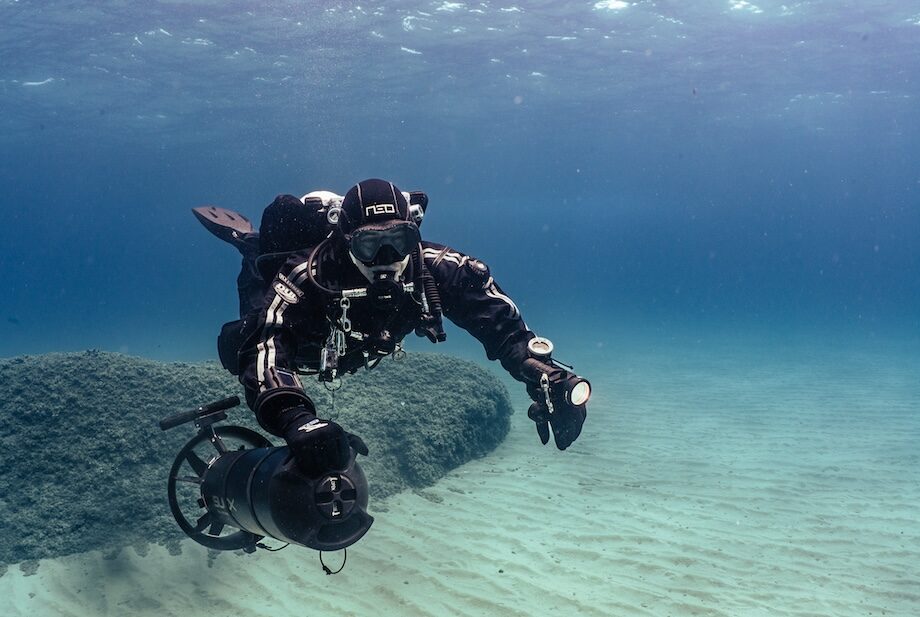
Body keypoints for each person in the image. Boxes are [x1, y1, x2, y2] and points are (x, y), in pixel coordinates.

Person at [229, 178, 590, 477]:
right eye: (370, 244)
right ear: (346, 241)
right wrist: (296, 419)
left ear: (414, 235)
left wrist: (543, 375)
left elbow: (500, 324)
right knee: (238, 336)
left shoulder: (438, 269)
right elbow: (265, 345)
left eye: (399, 241)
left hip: (354, 347)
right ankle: (250, 244)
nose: (387, 259)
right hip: (308, 347)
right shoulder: (305, 276)